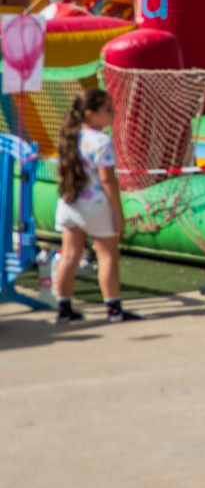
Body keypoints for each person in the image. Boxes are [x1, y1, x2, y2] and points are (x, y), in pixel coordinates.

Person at [51, 89, 137, 324]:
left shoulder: (69, 135)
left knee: (69, 256)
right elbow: (108, 180)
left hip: (68, 203)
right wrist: (118, 213)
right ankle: (114, 310)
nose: (113, 112)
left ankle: (64, 309)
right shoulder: (101, 141)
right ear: (90, 114)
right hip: (95, 205)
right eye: (108, 109)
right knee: (108, 256)